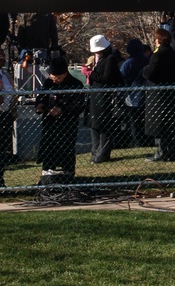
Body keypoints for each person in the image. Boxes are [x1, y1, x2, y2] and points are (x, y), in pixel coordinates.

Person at [35, 56, 85, 185]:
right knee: (48, 147)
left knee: (66, 147)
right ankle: (47, 172)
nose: (54, 79)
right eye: (52, 75)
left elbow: (78, 105)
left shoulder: (75, 84)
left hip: (67, 123)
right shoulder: (48, 83)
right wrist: (40, 105)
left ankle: (67, 173)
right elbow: (41, 97)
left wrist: (62, 110)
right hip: (49, 122)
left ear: (64, 74)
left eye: (57, 76)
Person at [142, 27, 175, 162]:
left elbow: (150, 73)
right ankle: (171, 152)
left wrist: (144, 70)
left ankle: (161, 152)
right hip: (171, 93)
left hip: (157, 95)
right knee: (170, 123)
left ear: (158, 40)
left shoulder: (158, 55)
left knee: (159, 125)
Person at [86, 34, 124, 164]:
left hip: (104, 98)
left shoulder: (110, 59)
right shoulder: (103, 59)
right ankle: (96, 152)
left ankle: (101, 153)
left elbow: (107, 78)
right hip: (98, 97)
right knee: (96, 125)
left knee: (103, 126)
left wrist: (92, 74)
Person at [119, 38, 150, 148]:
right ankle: (148, 142)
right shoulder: (147, 60)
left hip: (132, 97)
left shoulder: (127, 64)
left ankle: (138, 143)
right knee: (146, 121)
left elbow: (121, 79)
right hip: (147, 95)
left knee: (134, 123)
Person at [0, 52, 15, 186]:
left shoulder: (4, 75)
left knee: (3, 151)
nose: (2, 59)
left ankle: (1, 180)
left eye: (3, 56)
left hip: (5, 116)